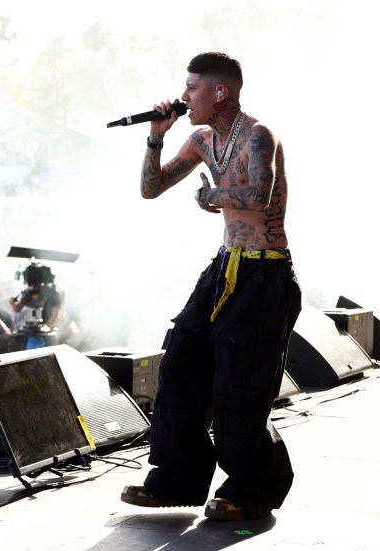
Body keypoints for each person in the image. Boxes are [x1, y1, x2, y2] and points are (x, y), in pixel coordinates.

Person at [119, 52, 301, 522]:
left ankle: (254, 488)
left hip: (265, 275)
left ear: (220, 91)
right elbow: (150, 188)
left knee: (239, 389)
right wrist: (155, 138)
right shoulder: (201, 138)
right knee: (180, 359)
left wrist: (210, 196)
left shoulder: (259, 136)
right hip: (225, 267)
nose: (184, 96)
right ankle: (176, 480)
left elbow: (257, 196)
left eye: (193, 88)